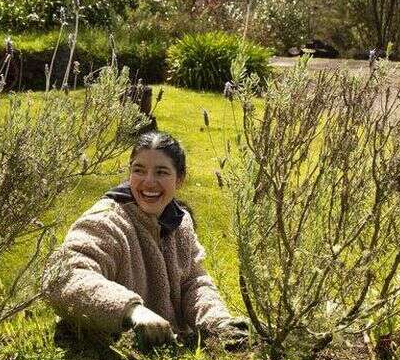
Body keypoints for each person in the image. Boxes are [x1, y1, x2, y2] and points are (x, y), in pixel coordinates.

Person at [42, 131, 248, 347]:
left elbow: (192, 282)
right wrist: (131, 310)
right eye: (139, 170)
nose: (149, 182)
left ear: (179, 179)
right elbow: (64, 275)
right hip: (111, 355)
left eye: (161, 172)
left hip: (170, 354)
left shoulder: (179, 221)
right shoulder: (106, 221)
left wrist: (217, 323)